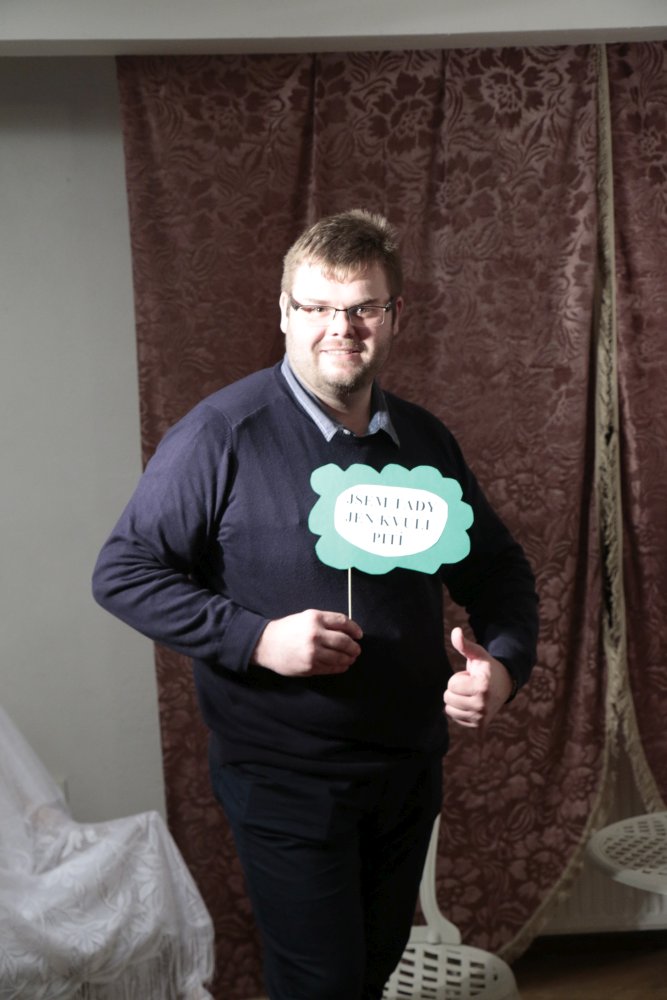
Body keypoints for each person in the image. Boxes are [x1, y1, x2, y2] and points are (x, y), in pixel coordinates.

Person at [92, 209, 539, 1000]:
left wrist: (502, 666)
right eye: (318, 307)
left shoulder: (424, 441)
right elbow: (123, 572)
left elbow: (498, 573)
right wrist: (256, 639)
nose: (342, 327)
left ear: (395, 316)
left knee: (368, 973)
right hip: (283, 777)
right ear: (284, 313)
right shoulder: (220, 434)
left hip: (406, 767)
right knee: (320, 985)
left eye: (363, 307)